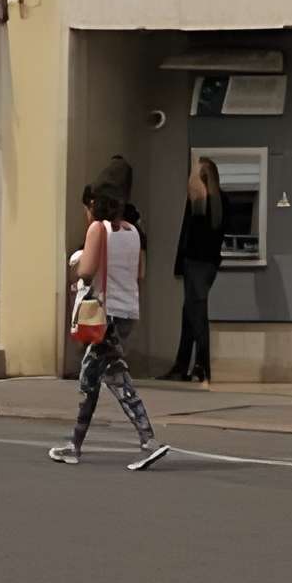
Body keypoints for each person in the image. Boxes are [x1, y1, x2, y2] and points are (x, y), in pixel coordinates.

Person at [52, 183, 168, 470]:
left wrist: (78, 267)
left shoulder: (97, 230)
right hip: (127, 312)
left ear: (93, 205)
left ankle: (144, 441)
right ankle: (79, 444)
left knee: (96, 380)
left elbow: (87, 271)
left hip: (105, 316)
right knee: (107, 377)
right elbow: (139, 272)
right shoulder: (132, 232)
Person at [166, 156, 225, 386]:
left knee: (197, 317)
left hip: (195, 265)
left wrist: (180, 266)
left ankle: (200, 366)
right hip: (209, 266)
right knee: (189, 314)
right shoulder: (222, 202)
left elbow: (187, 238)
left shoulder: (198, 203)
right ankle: (184, 365)